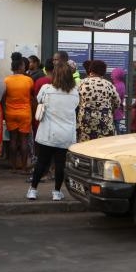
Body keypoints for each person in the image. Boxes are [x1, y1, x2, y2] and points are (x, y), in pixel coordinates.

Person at [28, 64, 79, 201]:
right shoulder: (75, 92)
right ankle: (56, 192)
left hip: (48, 133)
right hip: (66, 135)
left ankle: (33, 190)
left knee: (41, 162)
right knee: (60, 164)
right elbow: (76, 106)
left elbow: (39, 100)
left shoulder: (46, 89)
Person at [3, 57, 35, 171]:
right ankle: (24, 167)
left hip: (10, 112)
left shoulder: (6, 80)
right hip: (25, 112)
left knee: (13, 140)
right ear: (21, 66)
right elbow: (32, 95)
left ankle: (13, 167)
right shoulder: (28, 80)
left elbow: (4, 97)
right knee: (24, 140)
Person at [77, 60, 120, 142]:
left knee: (85, 147)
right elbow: (117, 102)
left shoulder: (81, 83)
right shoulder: (108, 85)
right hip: (105, 122)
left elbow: (75, 101)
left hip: (86, 122)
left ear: (90, 69)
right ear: (103, 71)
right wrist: (110, 109)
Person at [110, 66, 127, 135]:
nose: (111, 76)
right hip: (119, 111)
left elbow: (114, 98)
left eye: (113, 74)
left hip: (115, 111)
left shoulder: (116, 86)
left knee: (116, 129)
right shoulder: (122, 84)